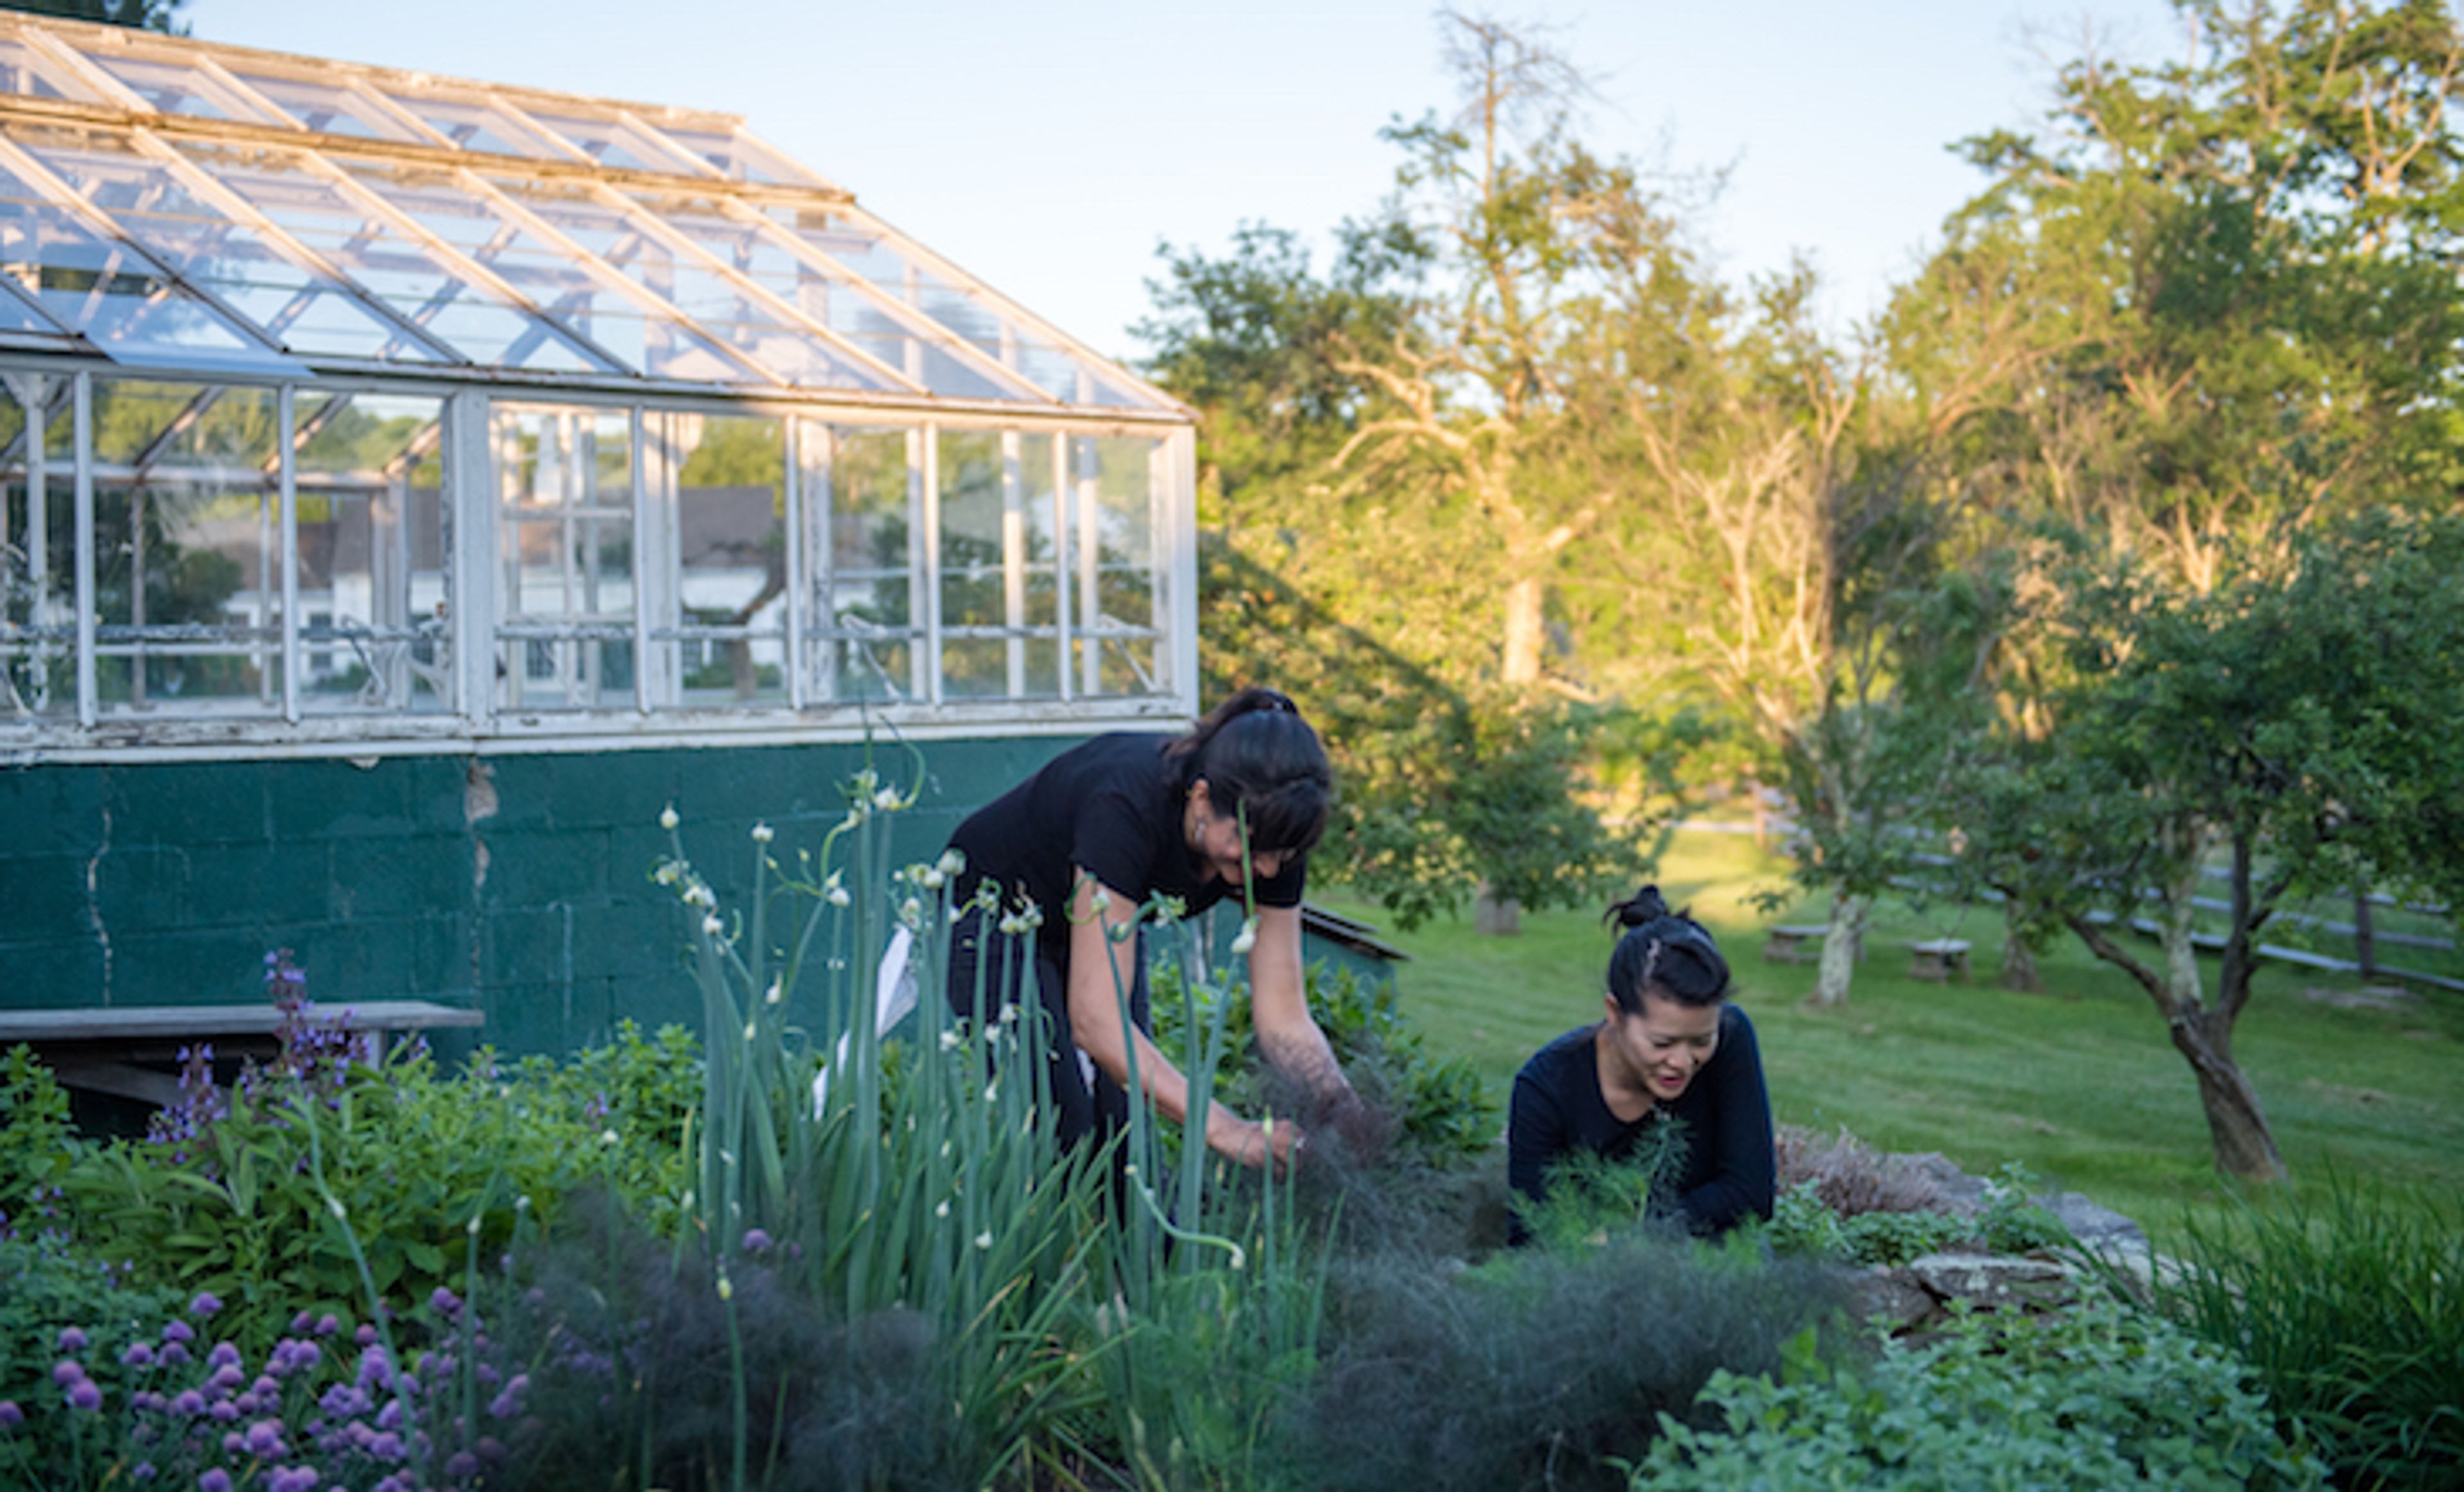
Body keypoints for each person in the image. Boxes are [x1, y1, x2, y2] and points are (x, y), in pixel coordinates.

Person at [943, 687, 1362, 1172]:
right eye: (1250, 845)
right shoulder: (1125, 803)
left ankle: (1140, 1225)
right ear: (1201, 798)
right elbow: (1097, 1022)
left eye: (1282, 855)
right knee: (1062, 1130)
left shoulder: (1275, 834)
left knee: (1128, 1133)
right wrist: (1226, 1129)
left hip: (1092, 916)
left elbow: (1284, 1014)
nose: (1265, 869)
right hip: (994, 914)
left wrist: (1342, 1108)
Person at [1506, 886, 1775, 1244]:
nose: (1682, 1062)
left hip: (1713, 1263)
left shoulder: (1731, 1036)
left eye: (1701, 1041)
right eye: (1662, 1043)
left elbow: (1751, 1194)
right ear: (1615, 1013)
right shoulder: (1546, 1087)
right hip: (1588, 1270)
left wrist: (1623, 1235)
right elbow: (1532, 1232)